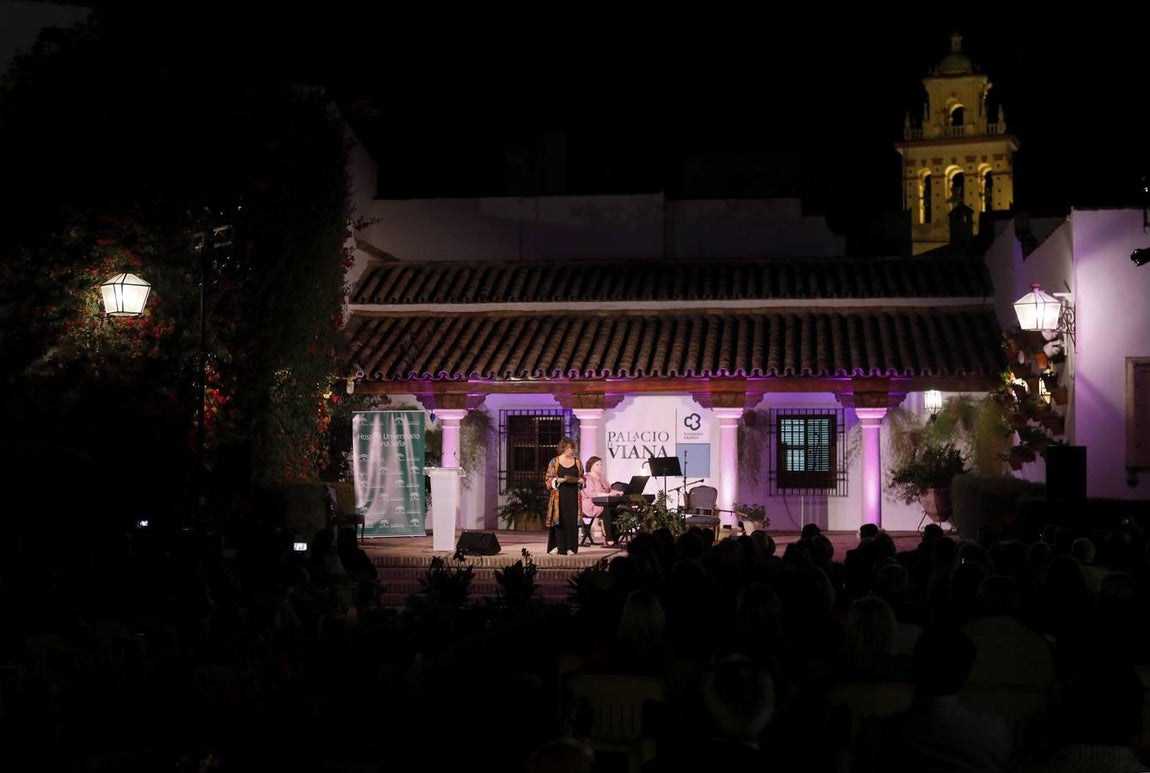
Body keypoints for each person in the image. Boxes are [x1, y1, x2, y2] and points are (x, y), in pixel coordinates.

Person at [545, 436, 584, 555]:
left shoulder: (577, 461)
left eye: (571, 448)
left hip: (573, 495)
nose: (570, 451)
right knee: (559, 520)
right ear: (562, 449)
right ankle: (559, 546)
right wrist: (557, 480)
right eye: (567, 449)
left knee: (571, 520)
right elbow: (548, 479)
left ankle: (571, 547)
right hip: (559, 495)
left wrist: (582, 481)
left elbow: (582, 476)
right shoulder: (554, 461)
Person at [580, 455, 617, 547]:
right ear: (591, 466)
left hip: (603, 502)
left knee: (615, 510)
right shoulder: (587, 478)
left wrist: (615, 492)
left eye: (601, 465)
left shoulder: (602, 477)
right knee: (607, 511)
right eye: (597, 465)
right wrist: (608, 495)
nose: (600, 466)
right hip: (591, 504)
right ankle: (609, 539)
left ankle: (615, 537)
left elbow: (608, 489)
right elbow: (592, 494)